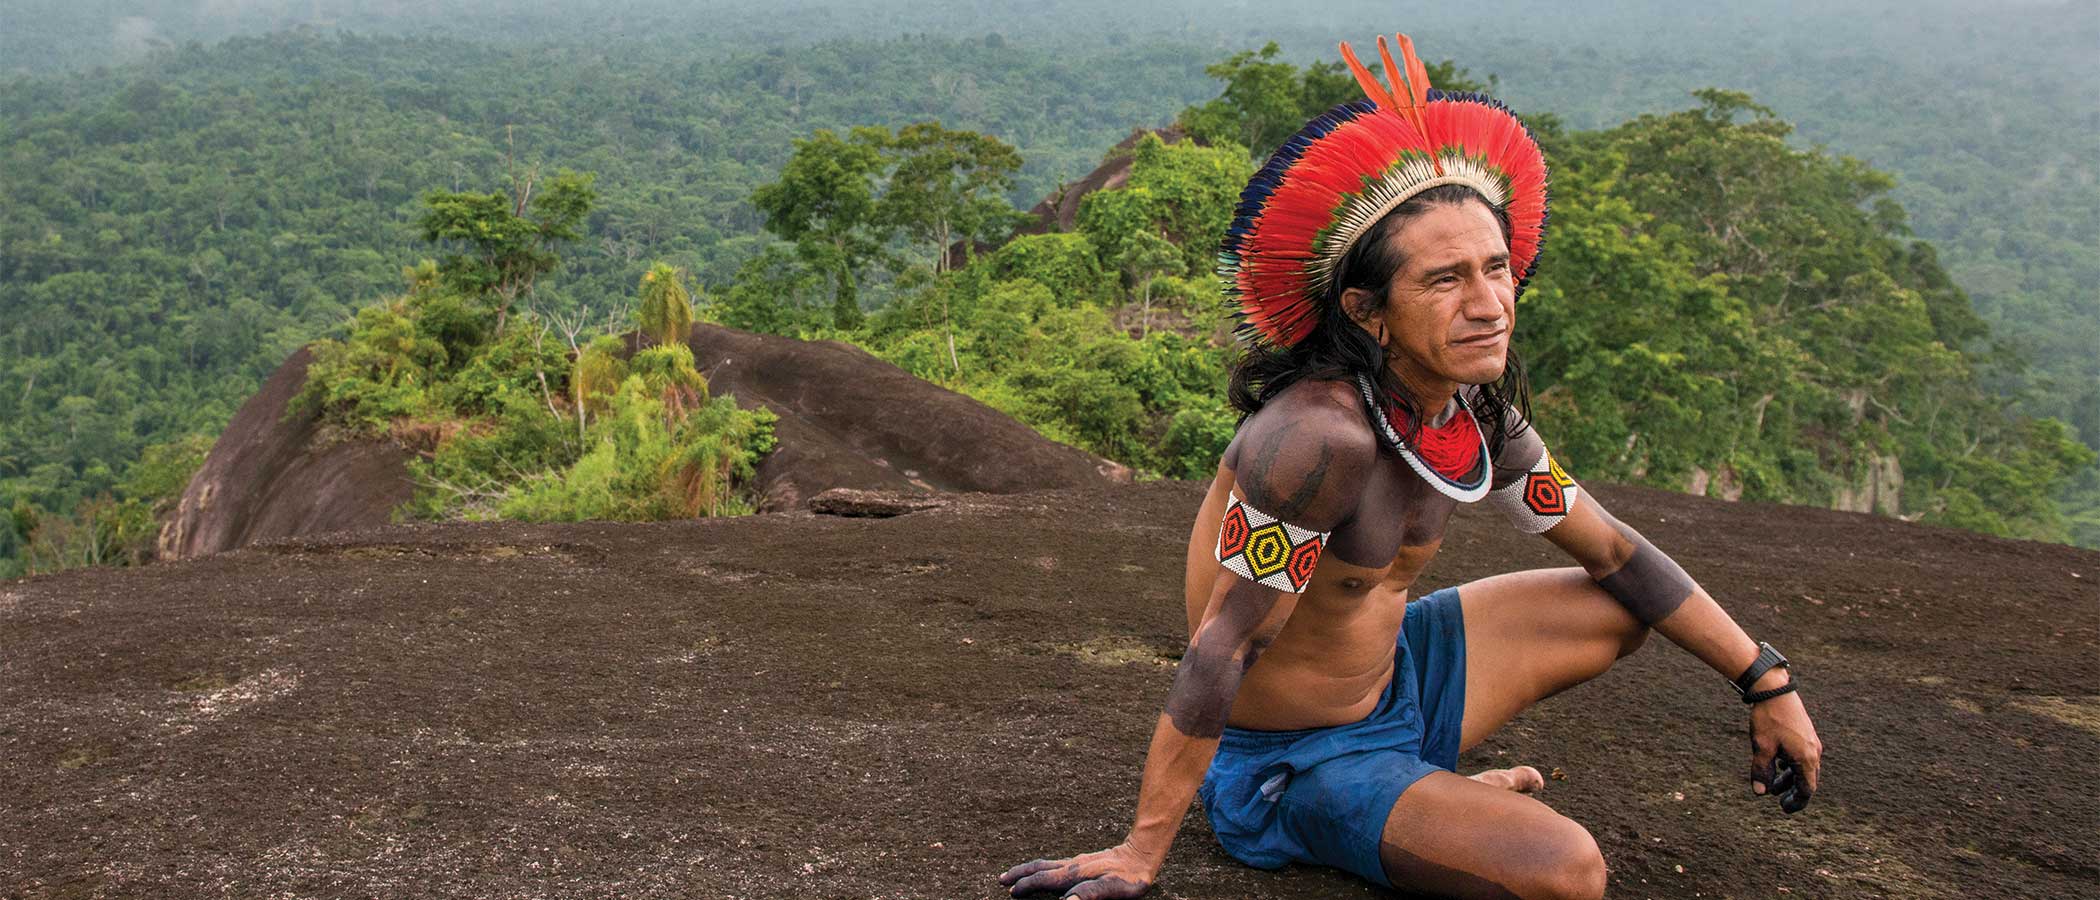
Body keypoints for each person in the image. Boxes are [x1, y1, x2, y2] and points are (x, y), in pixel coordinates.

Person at [1000, 34, 1824, 900]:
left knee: (1615, 608)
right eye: (1445, 281)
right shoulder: (1315, 447)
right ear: (1369, 312)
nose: (1489, 304)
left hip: (1401, 690)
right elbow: (1223, 643)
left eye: (1498, 268)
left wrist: (1765, 680)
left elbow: (1612, 550)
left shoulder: (1472, 420)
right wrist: (1140, 852)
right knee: (1567, 872)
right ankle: (1355, 810)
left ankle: (1420, 792)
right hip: (1292, 756)